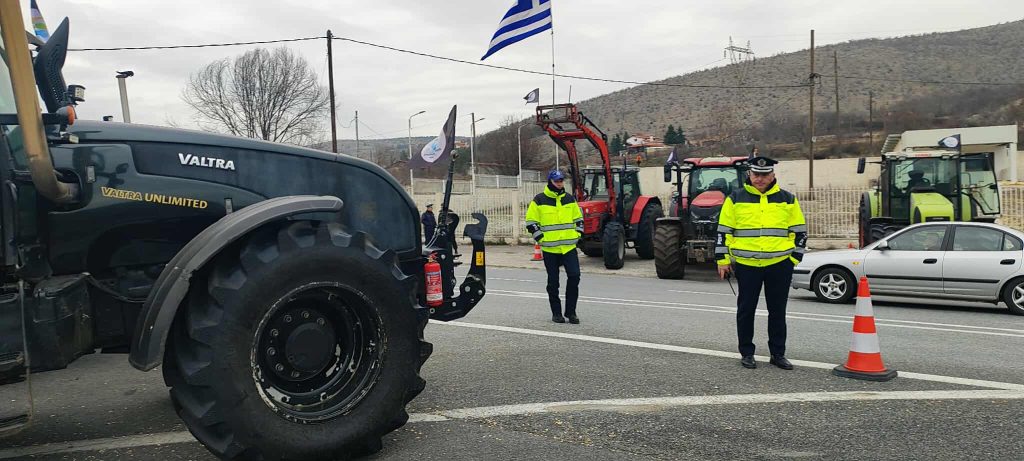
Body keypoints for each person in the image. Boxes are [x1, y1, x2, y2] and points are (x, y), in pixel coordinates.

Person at [716, 156, 806, 370]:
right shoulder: (735, 198)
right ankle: (747, 353)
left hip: (779, 265)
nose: (760, 179)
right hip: (747, 265)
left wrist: (793, 259)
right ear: (750, 174)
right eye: (756, 174)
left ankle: (778, 354)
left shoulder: (787, 199)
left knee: (778, 311)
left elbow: (800, 232)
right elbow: (723, 232)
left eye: (765, 175)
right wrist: (722, 259)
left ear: (773, 175)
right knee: (746, 310)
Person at [525, 170, 584, 324]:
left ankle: (571, 312)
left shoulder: (569, 199)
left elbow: (579, 219)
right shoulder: (539, 200)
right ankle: (556, 313)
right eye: (557, 181)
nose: (560, 183)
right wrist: (541, 238)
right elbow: (531, 222)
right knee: (553, 282)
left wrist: (578, 234)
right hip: (550, 249)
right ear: (550, 181)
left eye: (561, 180)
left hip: (568, 248)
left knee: (574, 276)